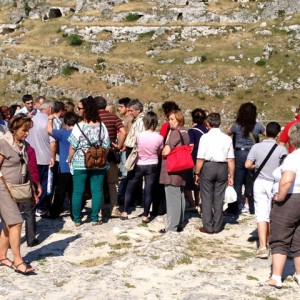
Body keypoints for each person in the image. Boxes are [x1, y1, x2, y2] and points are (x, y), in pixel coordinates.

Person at [265, 123, 300, 288]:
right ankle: (299, 274)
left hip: (291, 198)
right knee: (299, 239)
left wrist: (279, 197)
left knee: (280, 236)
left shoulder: (293, 157)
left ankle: (276, 276)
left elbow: (287, 180)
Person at [245, 122, 287, 258]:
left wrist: (256, 166)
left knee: (261, 214)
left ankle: (263, 246)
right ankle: (273, 242)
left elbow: (247, 165)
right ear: (278, 134)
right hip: (274, 183)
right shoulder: (281, 150)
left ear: (266, 132)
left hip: (260, 182)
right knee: (274, 214)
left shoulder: (256, 146)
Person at [0, 114, 36, 275]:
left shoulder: (23, 145)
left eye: (28, 130)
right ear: (14, 129)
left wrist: (34, 186)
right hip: (3, 188)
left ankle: (1, 257)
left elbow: (25, 167)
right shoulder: (3, 143)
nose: (27, 133)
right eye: (24, 130)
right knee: (16, 222)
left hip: (18, 188)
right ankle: (18, 261)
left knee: (10, 223)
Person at [68, 96, 110, 227]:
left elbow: (73, 146)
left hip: (81, 162)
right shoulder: (102, 126)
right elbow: (107, 145)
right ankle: (94, 218)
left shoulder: (78, 126)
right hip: (98, 163)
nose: (78, 110)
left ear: (85, 110)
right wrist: (101, 157)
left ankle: (77, 219)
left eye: (80, 108)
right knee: (97, 191)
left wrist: (69, 160)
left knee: (78, 192)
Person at [194, 113, 235, 234]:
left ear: (207, 123)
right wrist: (231, 176)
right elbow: (231, 159)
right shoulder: (227, 139)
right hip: (222, 167)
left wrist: (196, 173)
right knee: (219, 197)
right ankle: (217, 225)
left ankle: (208, 226)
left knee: (206, 197)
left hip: (208, 166)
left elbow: (200, 158)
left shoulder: (205, 138)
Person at [121, 112, 163, 223]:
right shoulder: (159, 137)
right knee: (149, 190)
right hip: (152, 164)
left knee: (130, 187)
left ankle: (125, 212)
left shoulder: (140, 136)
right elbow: (159, 151)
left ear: (145, 122)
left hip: (139, 163)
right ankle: (145, 215)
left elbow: (135, 147)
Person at [227, 102, 265, 215]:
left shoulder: (236, 125)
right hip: (253, 154)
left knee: (237, 182)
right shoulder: (257, 125)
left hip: (239, 154)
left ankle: (236, 206)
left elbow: (228, 132)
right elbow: (268, 132)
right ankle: (250, 206)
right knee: (251, 181)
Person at [95, 96, 126, 217]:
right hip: (112, 154)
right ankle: (114, 208)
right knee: (112, 183)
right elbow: (123, 131)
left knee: (99, 183)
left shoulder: (93, 118)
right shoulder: (113, 117)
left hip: (97, 154)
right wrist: (119, 145)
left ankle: (100, 209)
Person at [159, 110, 190, 233]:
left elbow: (166, 151)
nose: (169, 121)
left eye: (172, 119)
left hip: (172, 167)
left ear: (178, 119)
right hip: (181, 166)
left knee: (172, 197)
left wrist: (163, 151)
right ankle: (180, 223)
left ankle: (172, 226)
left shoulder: (175, 132)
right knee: (180, 195)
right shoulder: (185, 131)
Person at [46, 112, 79, 219]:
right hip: (77, 165)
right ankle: (75, 214)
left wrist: (50, 119)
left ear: (65, 122)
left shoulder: (63, 133)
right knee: (74, 191)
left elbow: (49, 130)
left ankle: (55, 212)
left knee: (60, 191)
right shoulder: (80, 133)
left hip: (64, 166)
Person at [26, 100, 56, 216]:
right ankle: (41, 207)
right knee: (44, 183)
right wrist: (53, 156)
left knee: (33, 182)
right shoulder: (48, 122)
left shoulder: (32, 120)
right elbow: (52, 142)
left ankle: (32, 205)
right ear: (49, 109)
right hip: (45, 157)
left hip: (32, 157)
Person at [185, 108, 208, 212]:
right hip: (206, 160)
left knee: (190, 183)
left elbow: (191, 147)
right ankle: (200, 203)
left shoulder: (192, 131)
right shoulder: (207, 130)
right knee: (200, 184)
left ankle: (192, 204)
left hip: (194, 159)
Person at [124, 99, 145, 207]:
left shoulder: (140, 121)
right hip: (131, 147)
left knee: (133, 175)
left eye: (132, 110)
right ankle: (135, 197)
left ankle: (135, 198)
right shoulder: (137, 120)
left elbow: (139, 137)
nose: (130, 113)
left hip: (133, 149)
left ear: (138, 110)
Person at [117, 97, 133, 206]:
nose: (119, 109)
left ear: (127, 107)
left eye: (121, 107)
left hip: (126, 149)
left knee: (126, 173)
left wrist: (123, 145)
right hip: (124, 148)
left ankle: (124, 197)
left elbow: (130, 134)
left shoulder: (129, 119)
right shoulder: (126, 119)